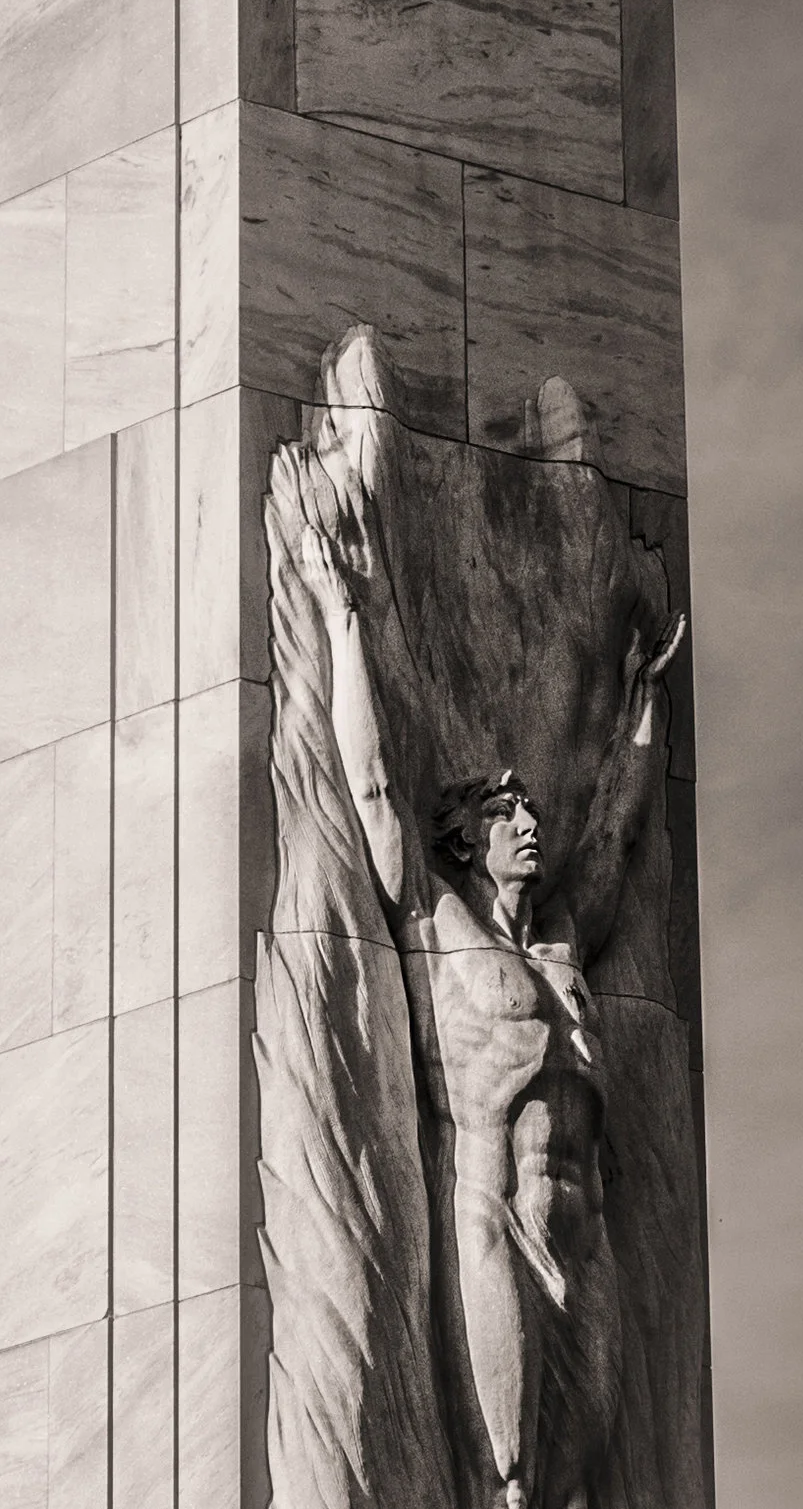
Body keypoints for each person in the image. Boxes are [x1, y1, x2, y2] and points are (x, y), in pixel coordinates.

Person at [293, 514, 685, 1509]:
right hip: (494, 1218)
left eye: (529, 816)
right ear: (469, 839)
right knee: (509, 1482)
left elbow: (617, 835)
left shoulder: (560, 938)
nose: (529, 827)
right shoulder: (435, 924)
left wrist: (643, 708)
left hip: (584, 1239)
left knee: (581, 1487)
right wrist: (343, 613)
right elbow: (375, 788)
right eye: (509, 817)